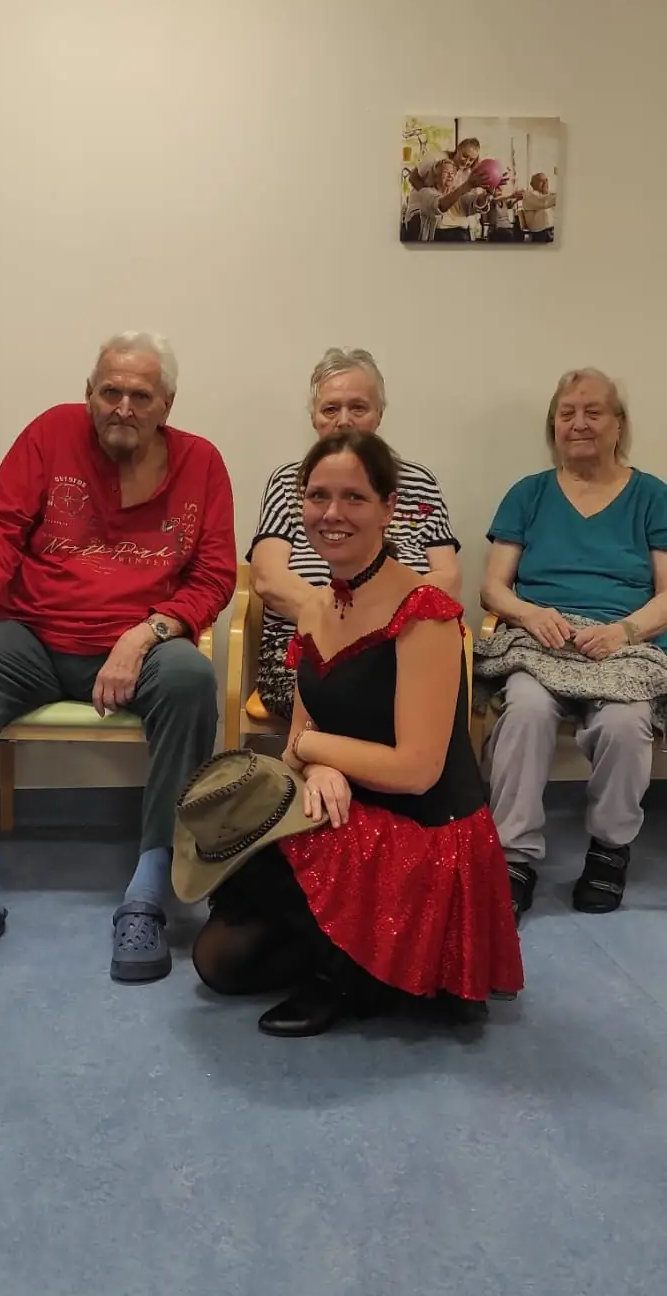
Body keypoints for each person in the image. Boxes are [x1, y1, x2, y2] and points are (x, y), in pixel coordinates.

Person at [0, 330, 236, 981]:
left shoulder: (202, 462)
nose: (123, 406)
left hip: (140, 645)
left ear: (167, 404)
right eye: (110, 391)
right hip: (34, 636)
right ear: (89, 393)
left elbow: (214, 575)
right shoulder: (50, 434)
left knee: (190, 680)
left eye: (140, 395)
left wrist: (145, 634)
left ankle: (147, 895)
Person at [188, 429, 523, 1036]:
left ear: (388, 507)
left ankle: (354, 972)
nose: (332, 513)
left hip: (424, 833)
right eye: (318, 496)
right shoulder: (316, 607)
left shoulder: (425, 611)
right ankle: (353, 955)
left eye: (354, 497)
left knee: (252, 890)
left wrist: (313, 751)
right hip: (346, 805)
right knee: (220, 960)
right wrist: (319, 766)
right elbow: (300, 735)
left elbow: (417, 769)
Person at [477, 368, 667, 922]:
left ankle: (610, 849)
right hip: (542, 640)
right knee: (526, 711)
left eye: (593, 412)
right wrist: (530, 613)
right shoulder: (528, 493)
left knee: (625, 723)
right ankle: (514, 855)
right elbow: (493, 588)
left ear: (618, 424)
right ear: (554, 426)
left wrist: (623, 631)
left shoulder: (652, 496)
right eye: (567, 413)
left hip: (623, 641)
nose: (579, 423)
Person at [250, 347, 460, 719]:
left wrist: (383, 631)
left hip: (402, 642)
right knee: (356, 697)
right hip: (303, 642)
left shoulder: (419, 483)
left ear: (379, 414)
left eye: (358, 408)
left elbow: (447, 579)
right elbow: (268, 578)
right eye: (330, 409)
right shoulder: (289, 482)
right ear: (314, 418)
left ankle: (320, 754)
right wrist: (341, 625)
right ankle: (319, 755)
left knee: (415, 693)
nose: (344, 421)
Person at [401, 157, 489, 243]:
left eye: (452, 173)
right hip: (439, 238)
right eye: (445, 172)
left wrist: (487, 194)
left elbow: (474, 203)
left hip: (461, 236)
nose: (450, 175)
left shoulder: (458, 193)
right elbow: (440, 205)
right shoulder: (426, 193)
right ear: (436, 177)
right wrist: (467, 185)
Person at [407, 136, 480, 190]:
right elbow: (413, 177)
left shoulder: (466, 173)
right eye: (464, 156)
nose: (466, 162)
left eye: (471, 160)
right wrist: (428, 196)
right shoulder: (435, 158)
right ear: (458, 149)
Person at [515, 173, 555, 243]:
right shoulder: (529, 195)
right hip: (540, 234)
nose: (545, 183)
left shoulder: (547, 195)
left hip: (550, 231)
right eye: (540, 181)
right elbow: (545, 202)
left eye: (546, 180)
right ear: (532, 184)